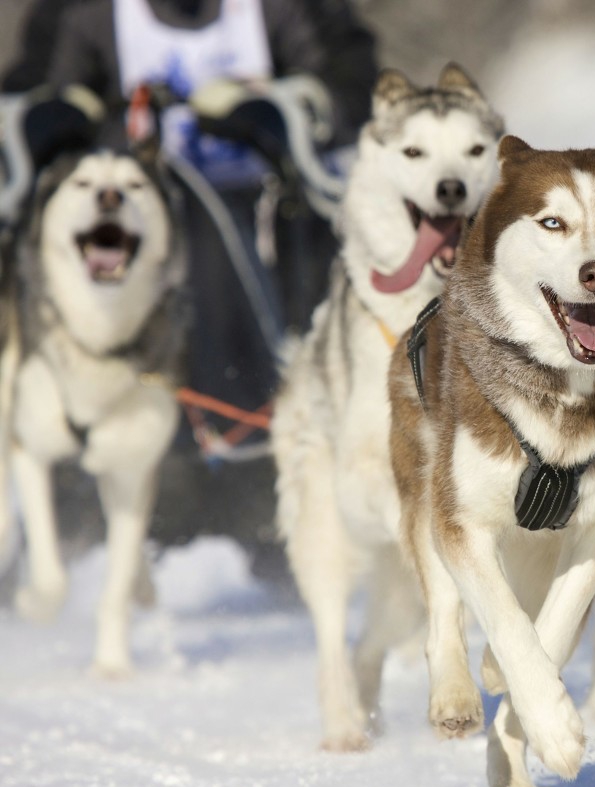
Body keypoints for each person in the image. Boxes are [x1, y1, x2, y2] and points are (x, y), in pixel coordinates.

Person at [2, 0, 378, 577]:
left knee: (232, 298)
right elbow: (42, 84)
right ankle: (89, 531)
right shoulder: (86, 14)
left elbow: (346, 77)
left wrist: (280, 106)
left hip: (258, 210)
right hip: (124, 211)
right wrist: (65, 107)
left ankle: (257, 516)